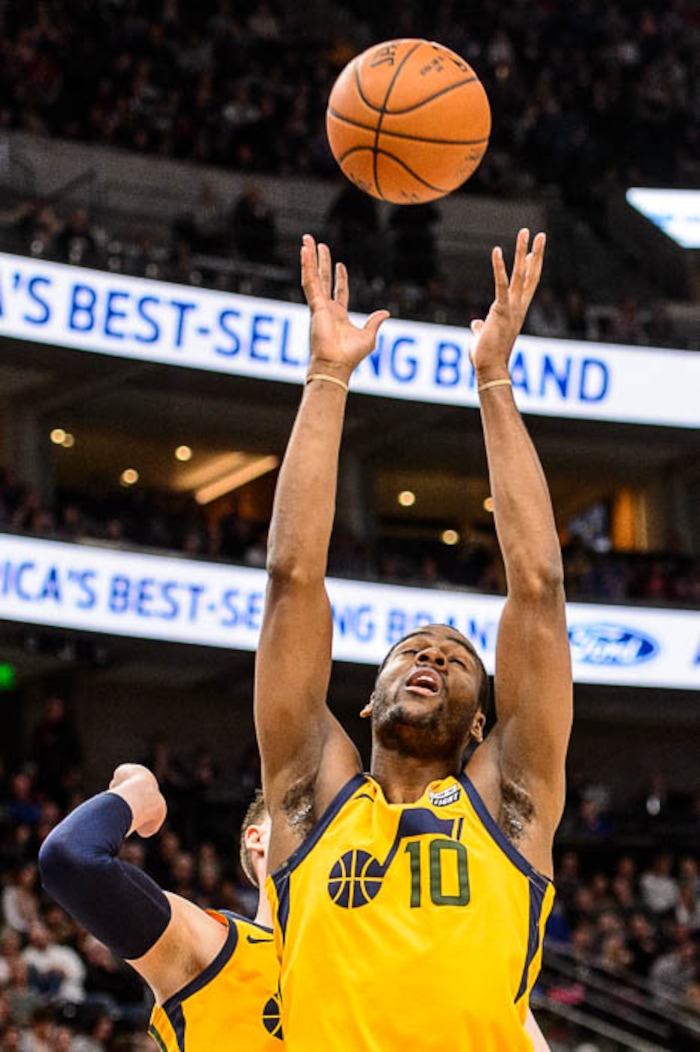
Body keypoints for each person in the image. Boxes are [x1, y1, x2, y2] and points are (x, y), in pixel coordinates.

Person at [255, 231, 572, 1050]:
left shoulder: (510, 800)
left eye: (455, 657)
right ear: (367, 698)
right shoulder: (308, 792)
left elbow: (537, 591)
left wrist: (494, 380)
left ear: (479, 726)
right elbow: (293, 578)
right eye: (411, 650)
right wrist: (327, 376)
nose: (430, 655)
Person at [38, 765, 281, 1050]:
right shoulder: (219, 945)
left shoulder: (343, 955)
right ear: (259, 839)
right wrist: (139, 794)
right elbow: (71, 858)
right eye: (303, 818)